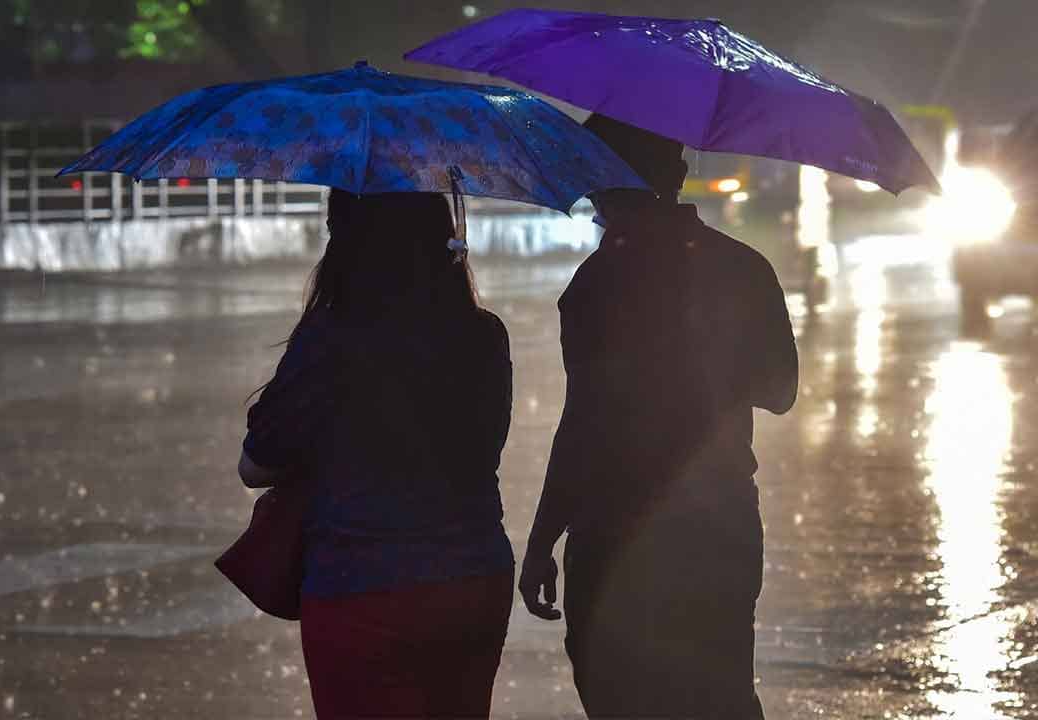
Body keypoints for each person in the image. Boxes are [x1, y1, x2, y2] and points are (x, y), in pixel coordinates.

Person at [518, 114, 799, 719]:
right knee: (720, 693)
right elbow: (780, 393)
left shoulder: (595, 285)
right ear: (678, 174)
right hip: (719, 528)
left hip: (614, 534)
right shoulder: (745, 268)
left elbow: (582, 425)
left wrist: (543, 538)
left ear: (603, 187)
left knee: (618, 696)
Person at [238, 190, 515, 719]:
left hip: (363, 584)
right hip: (473, 580)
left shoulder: (332, 338)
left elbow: (257, 464)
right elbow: (485, 445)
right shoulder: (483, 336)